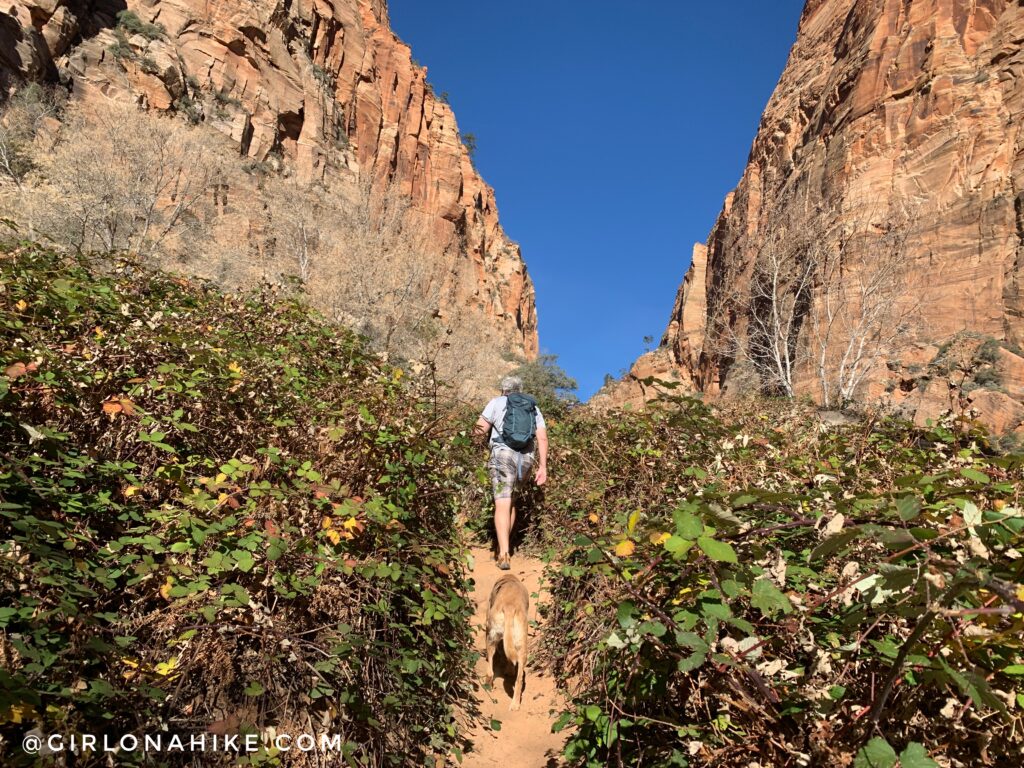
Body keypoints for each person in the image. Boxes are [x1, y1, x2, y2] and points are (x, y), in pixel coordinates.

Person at [475, 376, 548, 570]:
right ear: (520, 390)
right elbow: (542, 438)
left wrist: (469, 439)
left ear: (504, 390)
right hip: (525, 459)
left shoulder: (497, 402)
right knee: (512, 502)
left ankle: (504, 553)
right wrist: (543, 467)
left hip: (502, 454)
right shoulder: (533, 406)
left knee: (502, 502)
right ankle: (505, 544)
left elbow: (480, 429)